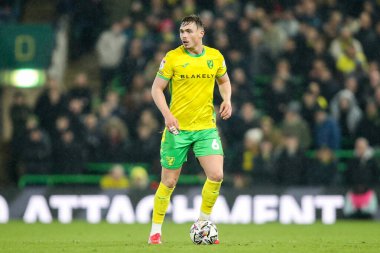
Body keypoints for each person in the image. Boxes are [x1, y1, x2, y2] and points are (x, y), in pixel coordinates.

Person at [148, 15, 232, 244]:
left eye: (188, 31)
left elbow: (223, 81)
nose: (183, 35)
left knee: (216, 175)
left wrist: (227, 100)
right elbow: (156, 89)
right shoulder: (172, 58)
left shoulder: (215, 57)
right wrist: (167, 115)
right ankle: (156, 230)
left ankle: (203, 222)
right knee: (169, 182)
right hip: (178, 129)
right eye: (181, 32)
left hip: (205, 127)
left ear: (201, 33)